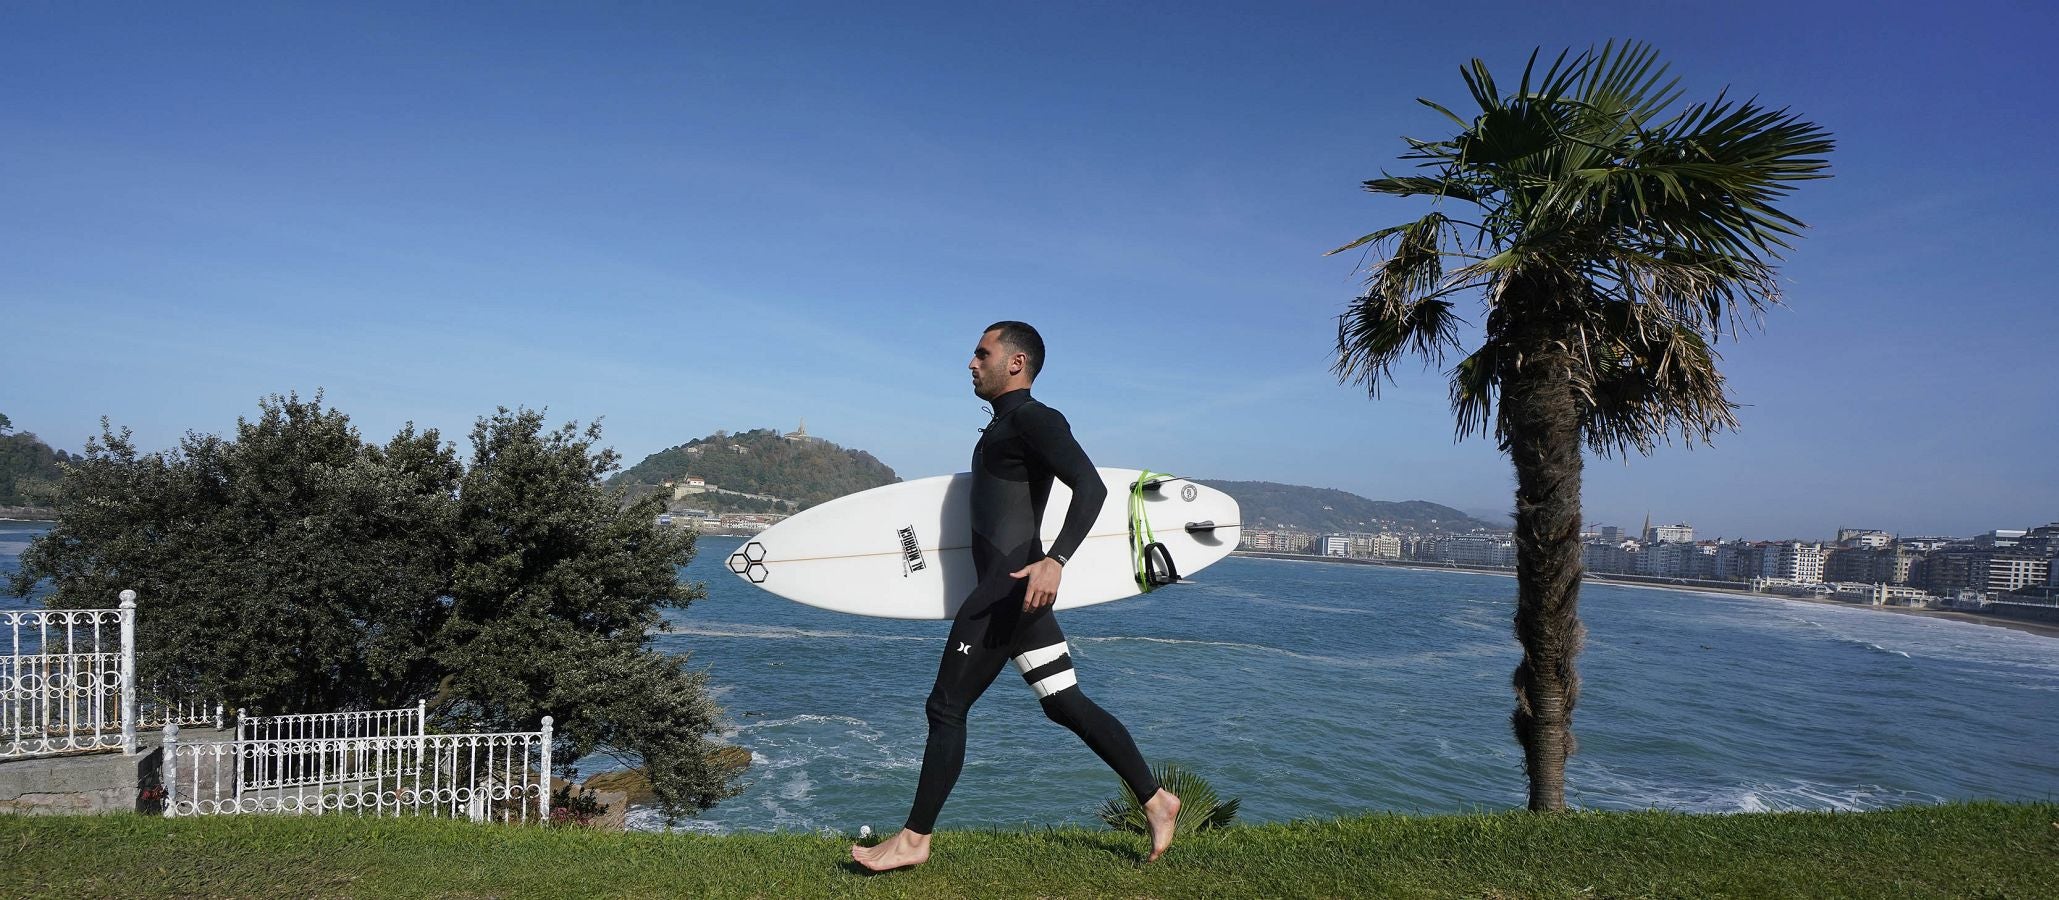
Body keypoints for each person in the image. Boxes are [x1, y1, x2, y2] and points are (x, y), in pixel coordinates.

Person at [852, 321, 1181, 871]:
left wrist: (1056, 560)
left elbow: (1091, 486)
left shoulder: (1035, 419)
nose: (971, 362)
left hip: (1005, 592)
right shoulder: (1003, 426)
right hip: (1018, 594)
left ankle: (913, 840)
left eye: (982, 353)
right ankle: (1156, 799)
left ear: (1016, 363)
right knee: (1063, 703)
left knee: (946, 708)